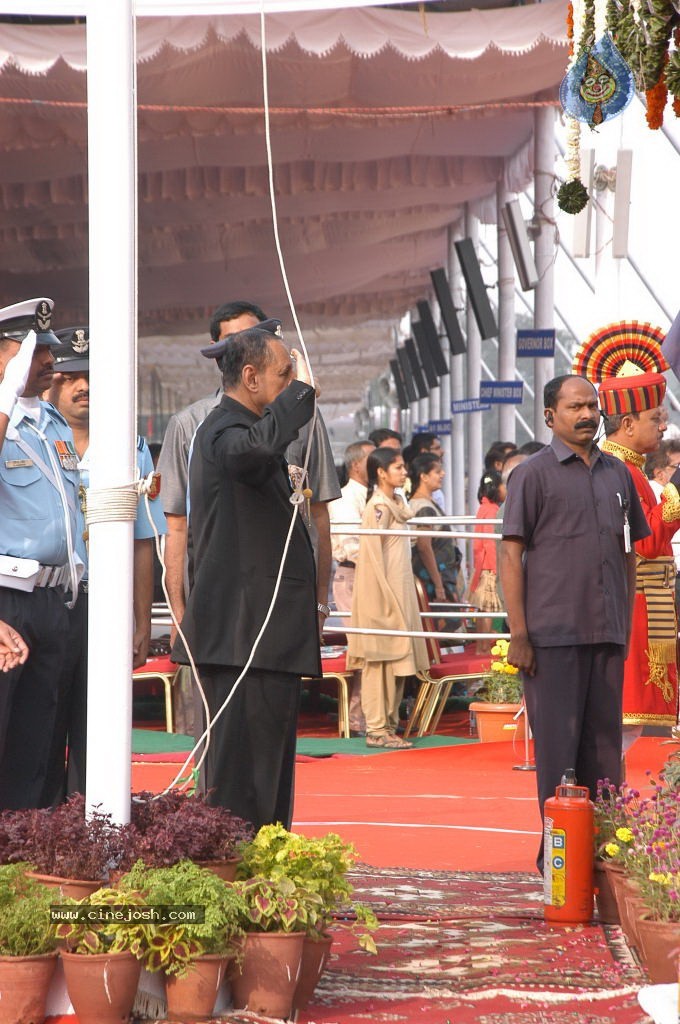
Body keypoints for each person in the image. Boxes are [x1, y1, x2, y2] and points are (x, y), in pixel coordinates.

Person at [158, 300, 339, 736]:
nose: (291, 381)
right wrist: (180, 609)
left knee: (270, 754)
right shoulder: (207, 426)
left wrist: (318, 601)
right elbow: (177, 525)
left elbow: (317, 522)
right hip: (233, 621)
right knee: (232, 752)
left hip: (276, 613)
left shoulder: (294, 418)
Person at [172, 319, 319, 830]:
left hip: (261, 637)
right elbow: (253, 451)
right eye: (283, 375)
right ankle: (237, 883)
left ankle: (263, 880)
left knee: (269, 779)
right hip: (242, 637)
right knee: (241, 784)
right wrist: (301, 394)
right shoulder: (222, 431)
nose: (289, 383)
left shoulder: (243, 429)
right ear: (251, 377)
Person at [500, 374, 648, 871]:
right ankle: (559, 863)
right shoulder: (533, 475)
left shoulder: (617, 474)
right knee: (559, 754)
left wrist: (623, 623)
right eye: (575, 407)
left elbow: (628, 553)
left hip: (606, 634)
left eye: (592, 405)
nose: (587, 414)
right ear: (549, 417)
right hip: (551, 638)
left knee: (605, 753)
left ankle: (606, 855)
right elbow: (510, 556)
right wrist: (518, 634)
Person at [45, 327, 167, 799]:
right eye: (71, 376)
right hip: (46, 598)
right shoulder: (26, 438)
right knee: (42, 718)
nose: (84, 387)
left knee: (98, 722)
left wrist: (141, 619)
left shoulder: (128, 446)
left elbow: (141, 540)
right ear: (51, 382)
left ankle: (88, 825)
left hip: (104, 602)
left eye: (92, 376)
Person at [0, 298, 85, 810]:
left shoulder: (53, 423)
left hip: (57, 598)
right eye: (34, 350)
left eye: (49, 350)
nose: (50, 361)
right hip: (8, 596)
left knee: (43, 737)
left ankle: (28, 854)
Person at [599, 381, 680, 739]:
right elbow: (647, 542)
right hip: (632, 603)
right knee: (622, 720)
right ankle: (604, 793)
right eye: (656, 418)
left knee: (625, 722)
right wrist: (677, 491)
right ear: (628, 424)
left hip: (640, 601)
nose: (663, 426)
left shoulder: (629, 467)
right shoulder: (620, 469)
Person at [347, 447, 429, 749]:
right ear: (381, 472)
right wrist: (381, 598)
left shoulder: (397, 504)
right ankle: (377, 729)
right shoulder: (378, 508)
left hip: (401, 591)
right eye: (397, 467)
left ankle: (390, 726)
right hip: (383, 594)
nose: (403, 472)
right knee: (379, 663)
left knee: (399, 662)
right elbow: (371, 558)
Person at [328, 439, 375, 735]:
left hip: (371, 576)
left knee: (375, 646)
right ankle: (357, 719)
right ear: (356, 465)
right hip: (354, 576)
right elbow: (349, 547)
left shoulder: (377, 496)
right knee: (363, 649)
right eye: (374, 460)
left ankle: (371, 714)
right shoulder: (346, 499)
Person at [408, 452, 462, 602]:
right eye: (437, 472)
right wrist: (438, 585)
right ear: (423, 477)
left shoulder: (424, 503)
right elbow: (424, 547)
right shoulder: (423, 507)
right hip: (434, 581)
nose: (442, 474)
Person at [468, 469, 505, 653]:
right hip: (490, 566)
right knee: (489, 608)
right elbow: (490, 543)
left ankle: (480, 646)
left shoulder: (483, 508)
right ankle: (483, 648)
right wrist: (496, 567)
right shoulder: (493, 510)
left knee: (483, 609)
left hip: (481, 566)